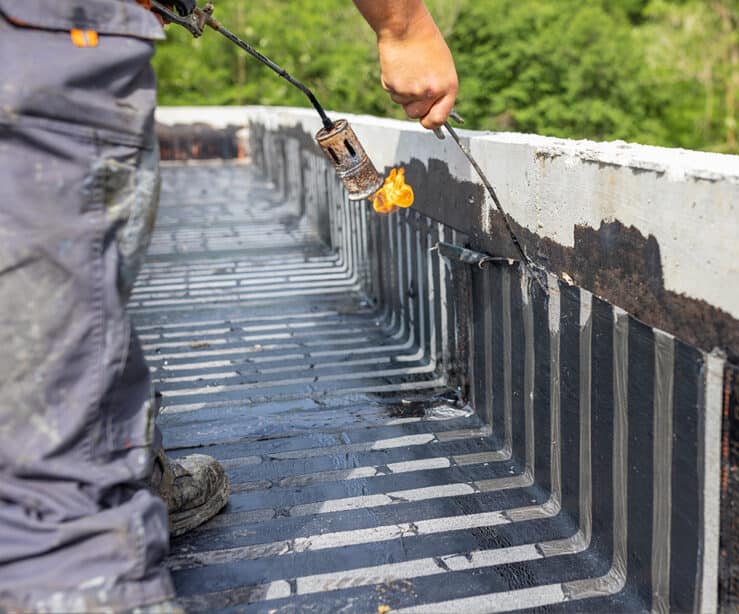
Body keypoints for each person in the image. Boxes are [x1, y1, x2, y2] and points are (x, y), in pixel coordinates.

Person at [0, 0, 458, 611]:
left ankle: (131, 463)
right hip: (44, 50)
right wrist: (402, 26)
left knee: (81, 308)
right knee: (53, 440)